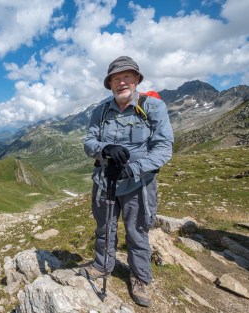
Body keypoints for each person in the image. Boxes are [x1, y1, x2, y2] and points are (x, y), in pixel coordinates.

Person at [81, 56, 174, 307]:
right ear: (109, 83)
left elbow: (164, 149)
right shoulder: (100, 111)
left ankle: (140, 278)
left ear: (136, 80)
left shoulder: (153, 107)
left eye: (127, 76)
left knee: (137, 231)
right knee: (104, 228)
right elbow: (89, 143)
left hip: (139, 184)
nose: (121, 81)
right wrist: (105, 148)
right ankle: (102, 265)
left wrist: (131, 169)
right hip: (104, 181)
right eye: (115, 78)